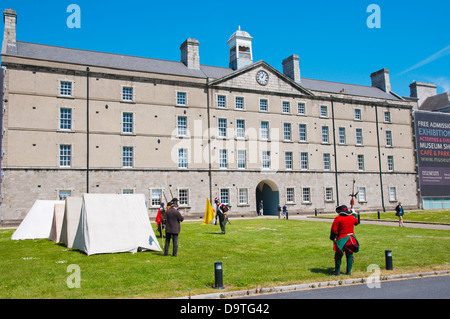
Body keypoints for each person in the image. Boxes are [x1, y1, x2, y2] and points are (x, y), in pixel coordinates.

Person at [330, 205, 360, 276]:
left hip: (342, 240)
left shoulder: (338, 218)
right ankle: (348, 272)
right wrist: (354, 213)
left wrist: (332, 237)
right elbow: (357, 222)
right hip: (351, 239)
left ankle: (337, 271)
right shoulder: (352, 217)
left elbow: (334, 230)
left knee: (338, 255)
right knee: (349, 255)